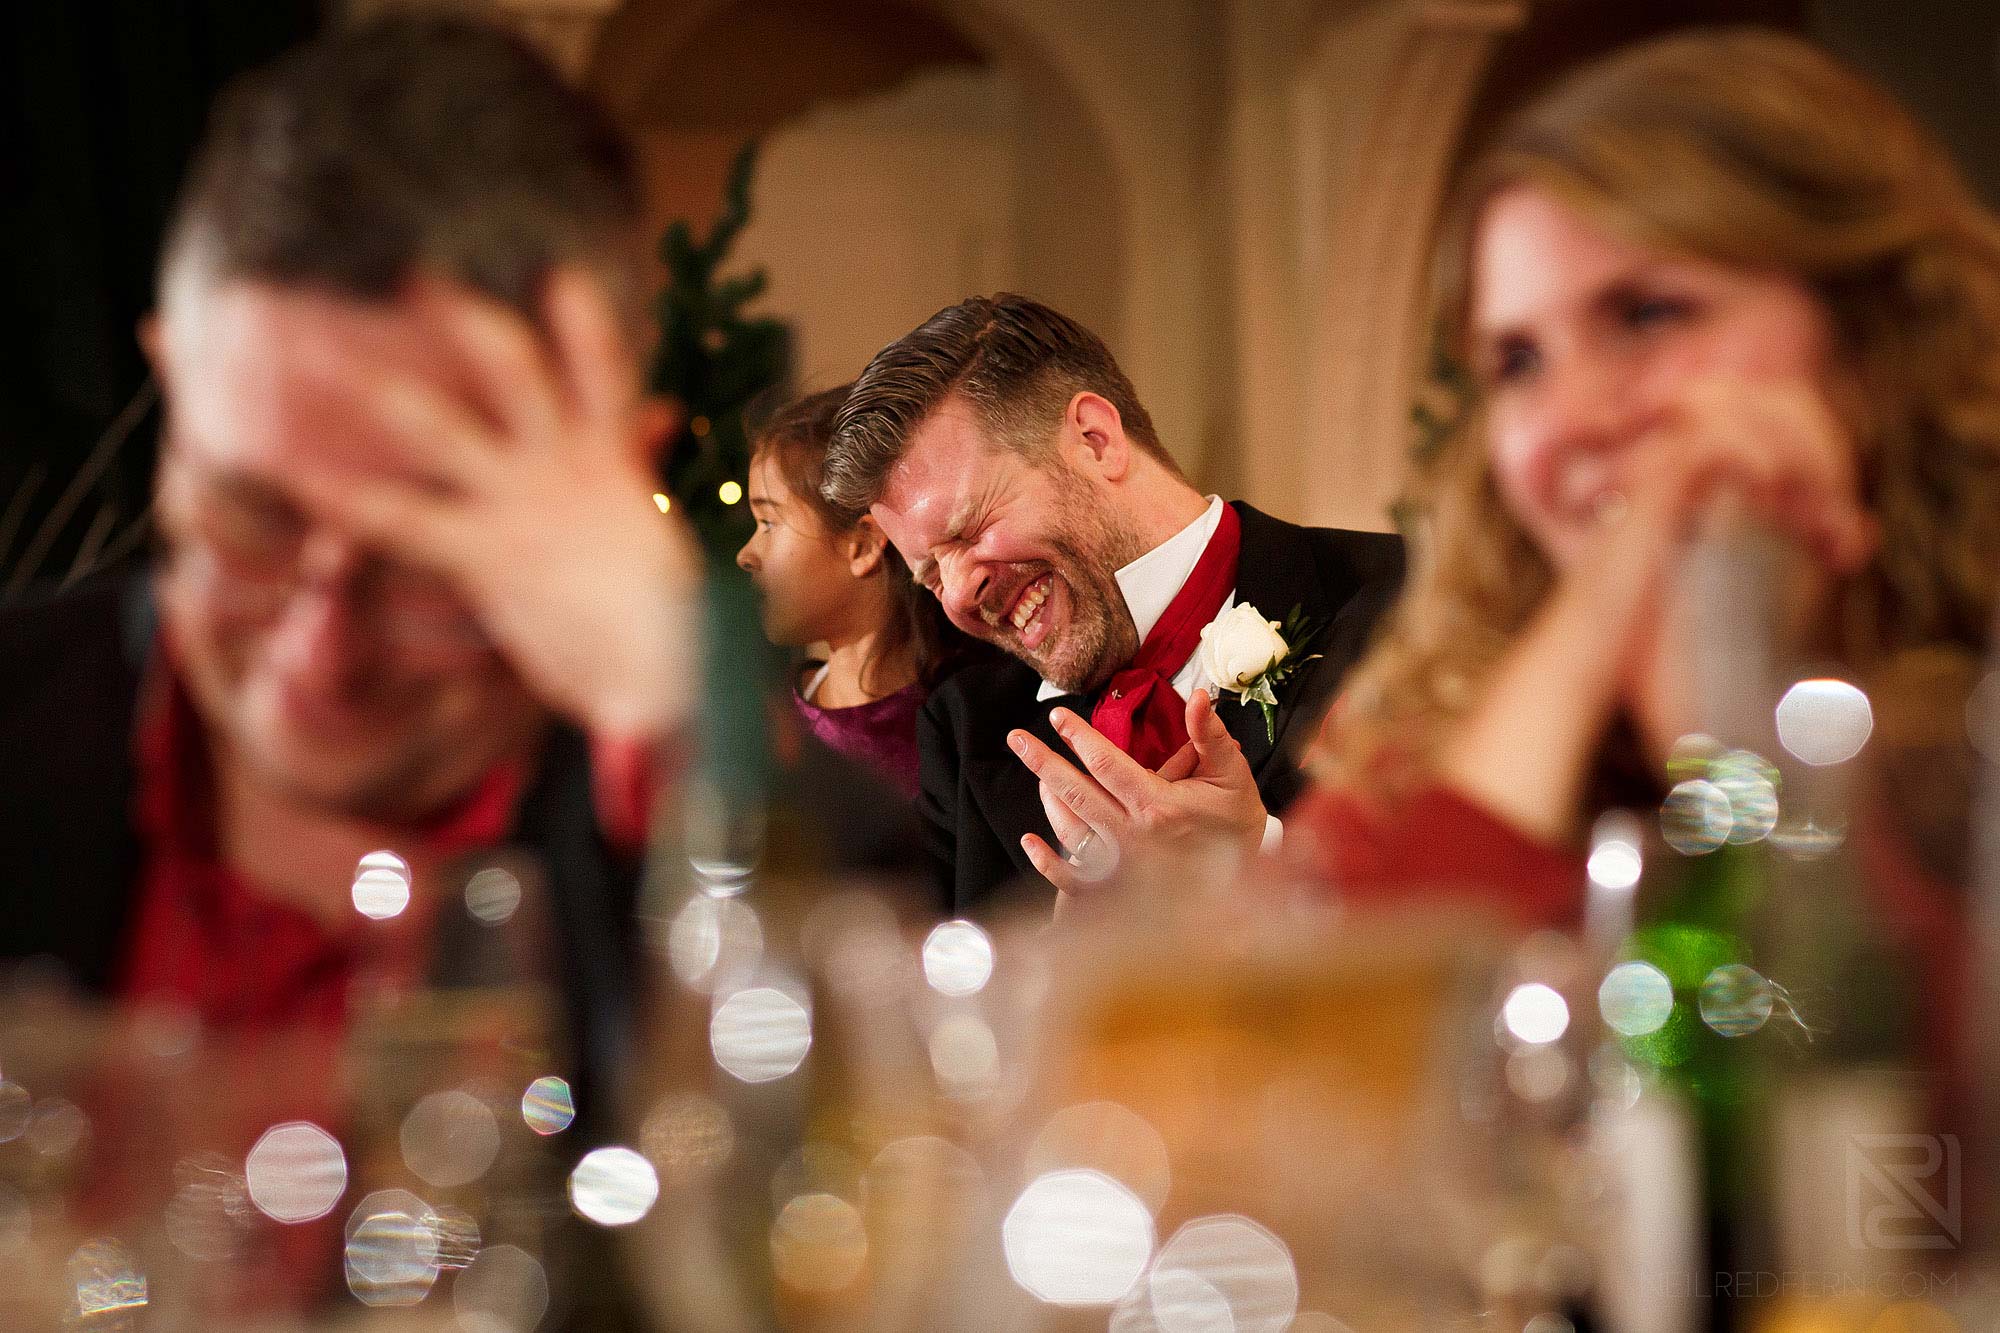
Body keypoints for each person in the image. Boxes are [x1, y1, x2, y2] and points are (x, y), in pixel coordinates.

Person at [0, 12, 696, 1186]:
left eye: (425, 556)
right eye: (252, 518)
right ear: (174, 389)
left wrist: (689, 710)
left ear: (616, 487)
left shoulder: (710, 832)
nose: (317, 656)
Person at [1284, 29, 1996, 1065]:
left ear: (1866, 334)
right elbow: (1331, 1066)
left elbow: (1910, 1128)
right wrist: (1599, 626)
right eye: (1516, 359)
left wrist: (1729, 732)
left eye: (1648, 313)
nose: (1567, 416)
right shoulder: (1431, 722)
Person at [822, 295, 1404, 916]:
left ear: (1096, 441)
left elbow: (1496, 907)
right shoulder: (965, 735)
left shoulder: (1400, 601)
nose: (960, 592)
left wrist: (1262, 863)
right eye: (930, 573)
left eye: (968, 529)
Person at [736, 383, 980, 798]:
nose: (746, 554)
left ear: (863, 545)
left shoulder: (963, 740)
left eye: (769, 523)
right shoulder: (766, 726)